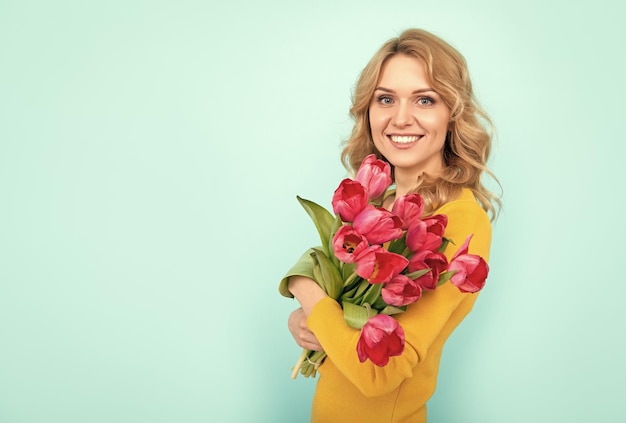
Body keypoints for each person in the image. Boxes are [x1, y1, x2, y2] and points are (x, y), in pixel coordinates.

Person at [281, 28, 501, 423]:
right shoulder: (377, 202)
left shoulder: (459, 221)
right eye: (386, 99)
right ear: (368, 109)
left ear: (453, 113)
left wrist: (304, 289)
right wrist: (306, 321)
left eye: (425, 99)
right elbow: (346, 317)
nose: (401, 118)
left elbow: (378, 373)